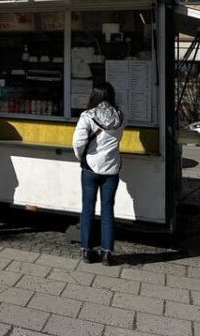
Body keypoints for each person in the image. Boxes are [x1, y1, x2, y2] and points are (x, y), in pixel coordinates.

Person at [72, 81, 125, 266]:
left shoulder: (87, 116)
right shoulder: (120, 116)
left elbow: (78, 142)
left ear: (94, 96)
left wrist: (82, 157)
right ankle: (107, 254)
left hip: (90, 168)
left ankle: (86, 251)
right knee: (108, 211)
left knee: (87, 209)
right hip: (111, 169)